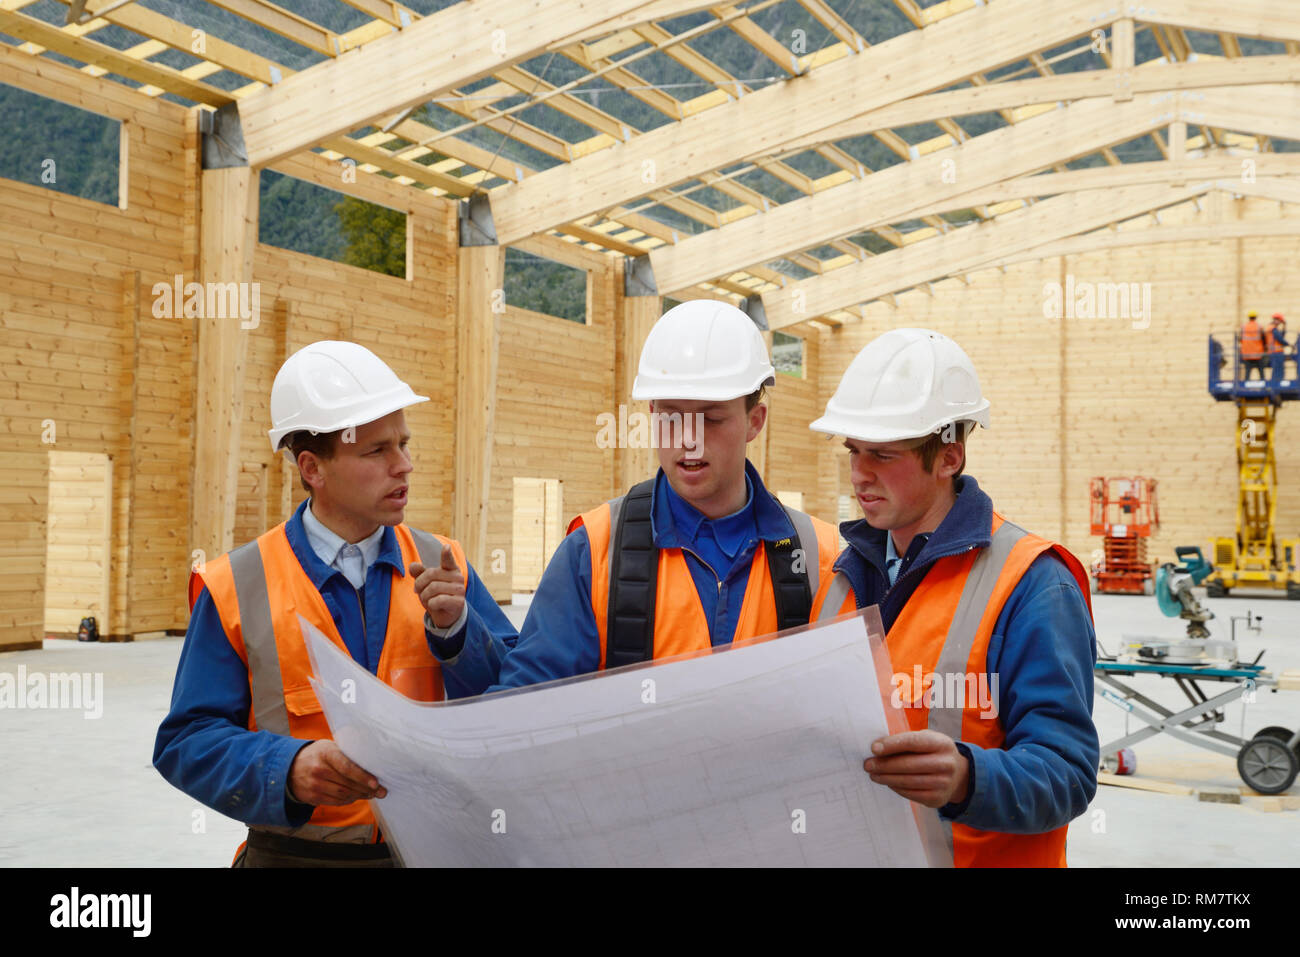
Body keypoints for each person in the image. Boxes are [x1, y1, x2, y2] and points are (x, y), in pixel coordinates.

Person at [154, 340, 517, 867]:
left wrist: (459, 633)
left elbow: (511, 703)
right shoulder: (237, 583)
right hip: (294, 857)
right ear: (312, 468)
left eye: (404, 444)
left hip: (431, 851)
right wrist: (288, 769)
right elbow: (186, 742)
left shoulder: (445, 564)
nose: (404, 466)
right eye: (377, 451)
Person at [810, 328, 1098, 867]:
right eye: (853, 450)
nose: (858, 474)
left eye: (882, 454)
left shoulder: (1033, 583)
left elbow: (1069, 773)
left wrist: (969, 778)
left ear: (948, 458)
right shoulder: (842, 574)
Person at [489, 300, 842, 690]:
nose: (688, 439)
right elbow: (524, 704)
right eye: (672, 417)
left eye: (710, 418)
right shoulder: (594, 550)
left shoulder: (817, 558)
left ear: (754, 422)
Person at [1240, 310, 1266, 381]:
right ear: (1256, 317)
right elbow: (1264, 339)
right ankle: (1263, 383)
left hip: (1247, 353)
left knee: (1247, 371)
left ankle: (1246, 383)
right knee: (1261, 371)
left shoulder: (1244, 327)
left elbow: (1240, 339)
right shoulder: (1259, 327)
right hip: (1257, 353)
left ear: (1249, 317)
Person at [1267, 313, 1288, 378]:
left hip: (1274, 352)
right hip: (1276, 352)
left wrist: (1284, 326)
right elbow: (1280, 339)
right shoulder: (1273, 329)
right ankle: (1276, 385)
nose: (1280, 323)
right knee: (1278, 371)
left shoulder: (1272, 328)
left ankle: (1275, 384)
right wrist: (1288, 344)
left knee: (1277, 370)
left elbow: (1281, 336)